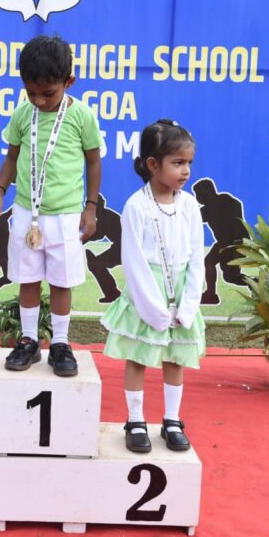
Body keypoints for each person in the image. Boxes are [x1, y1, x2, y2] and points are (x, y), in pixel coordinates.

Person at [0, 34, 103, 377]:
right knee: (28, 278)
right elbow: (12, 157)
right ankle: (28, 340)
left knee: (61, 281)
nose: (38, 100)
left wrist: (91, 207)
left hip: (66, 215)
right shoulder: (23, 114)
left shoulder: (82, 116)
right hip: (27, 211)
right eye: (31, 92)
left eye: (48, 93)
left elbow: (93, 162)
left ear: (69, 82)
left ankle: (61, 344)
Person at [99, 120, 206, 454]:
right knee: (139, 356)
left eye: (189, 163)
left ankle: (172, 420)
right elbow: (133, 262)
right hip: (148, 294)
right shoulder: (137, 206)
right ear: (152, 164)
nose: (185, 170)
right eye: (178, 162)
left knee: (175, 357)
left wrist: (188, 304)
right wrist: (154, 309)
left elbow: (196, 257)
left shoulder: (189, 206)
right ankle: (135, 420)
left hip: (181, 292)